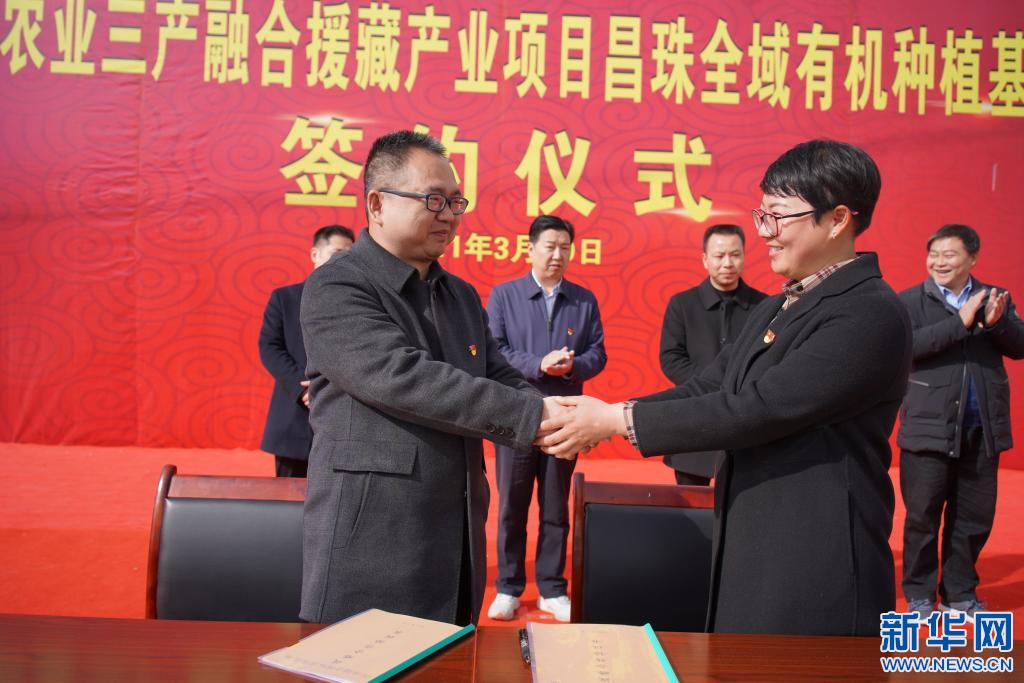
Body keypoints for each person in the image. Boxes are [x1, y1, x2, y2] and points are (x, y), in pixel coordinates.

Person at [536, 139, 912, 636]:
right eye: (763, 215)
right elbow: (711, 385)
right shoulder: (778, 305)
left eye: (778, 216)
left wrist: (613, 421)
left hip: (815, 567)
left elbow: (761, 407)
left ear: (838, 219)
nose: (765, 233)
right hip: (755, 542)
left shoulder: (868, 312)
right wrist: (610, 413)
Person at [298, 131, 566, 626]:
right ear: (377, 204)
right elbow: (403, 378)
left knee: (450, 656)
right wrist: (537, 415)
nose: (449, 215)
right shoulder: (338, 284)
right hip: (372, 536)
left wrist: (557, 418)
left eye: (456, 202)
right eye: (433, 200)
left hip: (456, 535)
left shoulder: (459, 294)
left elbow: (497, 372)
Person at [897, 224, 1024, 621]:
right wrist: (962, 322)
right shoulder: (909, 302)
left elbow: (1019, 346)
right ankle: (920, 594)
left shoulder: (995, 297)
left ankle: (960, 593)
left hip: (981, 427)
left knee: (973, 517)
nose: (939, 262)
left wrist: (998, 323)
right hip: (928, 428)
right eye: (933, 254)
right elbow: (906, 348)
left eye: (949, 255)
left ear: (972, 258)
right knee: (922, 517)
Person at [485, 215, 607, 623]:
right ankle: (508, 586)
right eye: (550, 246)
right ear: (531, 248)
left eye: (564, 248)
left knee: (555, 506)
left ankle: (552, 589)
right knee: (512, 506)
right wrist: (539, 364)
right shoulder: (505, 296)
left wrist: (572, 366)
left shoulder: (583, 300)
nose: (557, 255)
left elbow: (598, 353)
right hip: (517, 416)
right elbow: (495, 350)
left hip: (565, 420)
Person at [659, 224, 767, 485]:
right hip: (693, 416)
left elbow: (767, 358)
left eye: (735, 255)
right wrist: (707, 386)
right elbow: (671, 358)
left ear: (744, 257)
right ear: (705, 259)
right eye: (719, 256)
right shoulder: (682, 304)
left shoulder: (764, 306)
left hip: (743, 419)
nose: (727, 263)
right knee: (690, 501)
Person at [258, 225, 354, 477]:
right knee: (287, 495)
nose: (343, 260)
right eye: (336, 253)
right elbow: (270, 346)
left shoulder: (358, 303)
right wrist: (303, 387)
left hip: (340, 418)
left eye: (349, 254)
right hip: (295, 415)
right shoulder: (285, 298)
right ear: (315, 254)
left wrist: (328, 388)